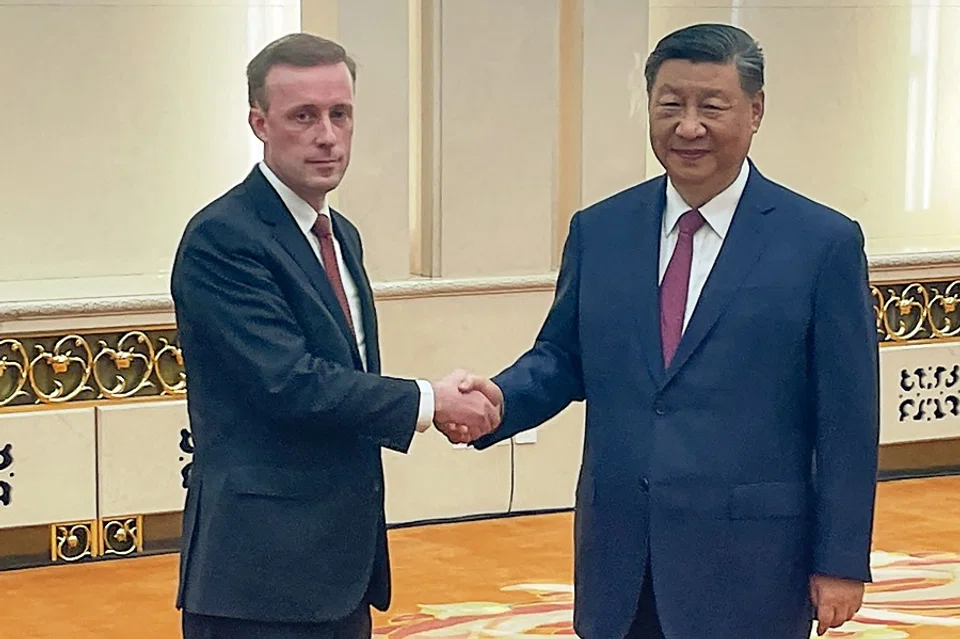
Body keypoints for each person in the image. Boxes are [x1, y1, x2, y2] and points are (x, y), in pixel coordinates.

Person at [456, 23, 879, 639]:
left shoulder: (822, 243)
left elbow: (847, 418)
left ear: (755, 110)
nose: (688, 126)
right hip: (621, 558)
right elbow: (563, 355)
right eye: (670, 105)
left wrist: (840, 561)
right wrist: (500, 400)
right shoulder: (600, 230)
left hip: (753, 565)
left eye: (712, 106)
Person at [169, 33, 499, 638]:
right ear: (259, 123)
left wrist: (431, 401)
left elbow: (350, 377)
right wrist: (430, 402)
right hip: (259, 577)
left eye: (339, 113)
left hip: (339, 566)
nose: (327, 134)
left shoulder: (339, 233)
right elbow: (288, 384)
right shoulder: (224, 238)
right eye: (304, 116)